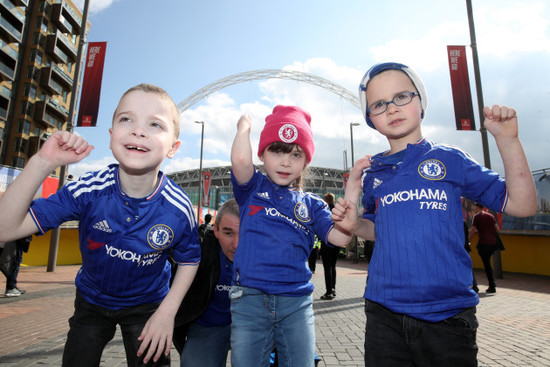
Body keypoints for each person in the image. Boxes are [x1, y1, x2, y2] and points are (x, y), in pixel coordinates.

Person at [332, 62, 537, 366]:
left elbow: (522, 205)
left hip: (449, 317)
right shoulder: (374, 174)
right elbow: (379, 228)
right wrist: (357, 225)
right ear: (370, 119)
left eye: (402, 96)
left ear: (421, 101)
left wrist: (507, 141)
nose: (391, 108)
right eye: (378, 104)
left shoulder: (449, 159)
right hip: (383, 315)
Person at [0, 83, 200, 366]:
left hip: (148, 305)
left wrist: (167, 313)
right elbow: (5, 229)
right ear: (111, 135)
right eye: (126, 119)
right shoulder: (88, 191)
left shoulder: (178, 209)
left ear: (173, 148)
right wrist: (43, 162)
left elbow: (190, 260)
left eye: (155, 124)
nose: (138, 130)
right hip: (91, 300)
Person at [230, 105, 351, 367]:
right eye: (276, 150)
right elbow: (240, 161)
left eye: (296, 154)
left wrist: (347, 219)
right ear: (261, 153)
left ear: (306, 161)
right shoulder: (253, 188)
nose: (286, 162)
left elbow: (338, 239)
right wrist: (244, 126)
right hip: (250, 299)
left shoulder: (314, 204)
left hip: (296, 303)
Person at [173, 199, 239, 367]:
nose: (236, 244)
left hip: (254, 327)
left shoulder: (266, 252)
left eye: (244, 233)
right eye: (228, 233)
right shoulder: (199, 249)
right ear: (216, 230)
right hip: (208, 327)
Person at [469, 203, 500, 293]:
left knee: (487, 265)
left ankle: (492, 285)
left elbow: (472, 231)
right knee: (488, 264)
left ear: (477, 207)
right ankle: (492, 284)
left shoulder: (477, 217)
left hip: (483, 243)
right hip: (492, 243)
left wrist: (468, 241)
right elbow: (497, 230)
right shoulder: (491, 216)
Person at [320, 192, 340, 300]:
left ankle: (328, 292)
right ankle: (333, 289)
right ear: (333, 200)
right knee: (333, 266)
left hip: (327, 242)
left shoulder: (324, 211)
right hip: (337, 242)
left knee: (327, 267)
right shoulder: (338, 211)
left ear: (325, 201)